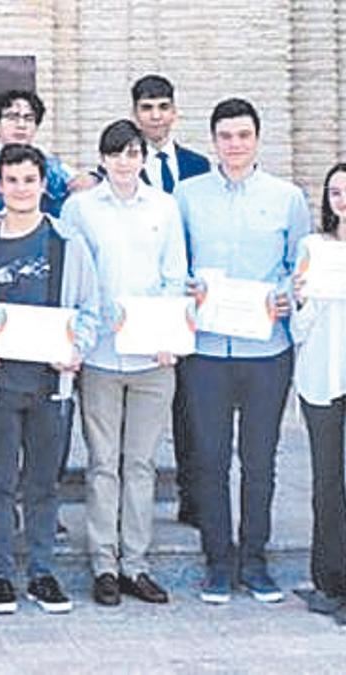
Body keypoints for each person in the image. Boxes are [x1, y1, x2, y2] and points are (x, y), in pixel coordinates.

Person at [175, 98, 310, 604]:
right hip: (206, 350)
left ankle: (255, 560)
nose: (235, 144)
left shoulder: (287, 197)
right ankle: (217, 560)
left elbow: (297, 267)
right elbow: (180, 261)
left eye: (243, 135)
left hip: (266, 349)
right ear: (213, 141)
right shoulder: (188, 196)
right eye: (226, 136)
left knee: (260, 459)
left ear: (257, 139)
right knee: (208, 458)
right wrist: (188, 287)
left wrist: (284, 295)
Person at [0, 144, 99, 615]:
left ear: (44, 185)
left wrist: (75, 347)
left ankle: (43, 572)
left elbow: (89, 308)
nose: (21, 189)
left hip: (50, 382)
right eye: (12, 180)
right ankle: (0, 575)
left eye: (29, 180)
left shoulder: (67, 242)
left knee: (44, 481)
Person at [62, 120, 185, 606]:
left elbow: (176, 275)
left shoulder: (164, 208)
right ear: (104, 158)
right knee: (102, 464)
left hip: (154, 356)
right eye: (116, 153)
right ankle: (104, 564)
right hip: (99, 355)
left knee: (140, 463)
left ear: (143, 158)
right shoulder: (80, 208)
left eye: (133, 153)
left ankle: (136, 564)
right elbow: (74, 277)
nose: (125, 162)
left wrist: (167, 333)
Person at [130, 74, 211, 529]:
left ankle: (193, 496)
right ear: (135, 114)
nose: (155, 116)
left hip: (190, 302)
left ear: (175, 111)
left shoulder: (199, 165)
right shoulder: (119, 164)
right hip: (142, 306)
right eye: (147, 107)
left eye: (163, 106)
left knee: (191, 406)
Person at [290, 163, 346, 624]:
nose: (342, 199)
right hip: (323, 377)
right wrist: (305, 300)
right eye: (335, 192)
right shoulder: (312, 248)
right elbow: (298, 328)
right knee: (328, 481)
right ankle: (329, 579)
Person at [0, 89, 90, 229]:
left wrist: (92, 179)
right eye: (12, 117)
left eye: (29, 118)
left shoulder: (54, 169)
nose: (21, 125)